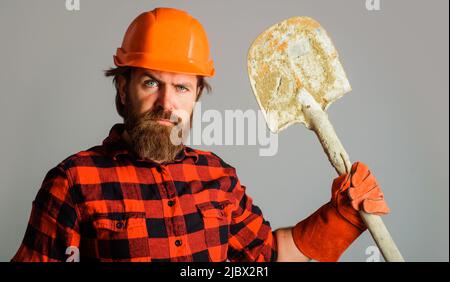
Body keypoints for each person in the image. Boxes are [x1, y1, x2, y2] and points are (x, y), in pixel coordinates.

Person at [12, 7, 390, 262]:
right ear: (123, 88)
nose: (166, 103)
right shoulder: (74, 182)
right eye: (150, 83)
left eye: (181, 88)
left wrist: (341, 217)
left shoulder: (216, 177)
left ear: (196, 95)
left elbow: (266, 258)